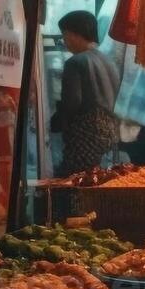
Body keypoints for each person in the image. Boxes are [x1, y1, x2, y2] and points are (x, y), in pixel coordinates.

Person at [52, 10, 122, 177]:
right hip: (109, 136)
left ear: (75, 34)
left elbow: (72, 102)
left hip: (85, 137)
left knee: (74, 184)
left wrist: (55, 123)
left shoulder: (75, 62)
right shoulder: (109, 62)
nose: (65, 41)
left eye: (65, 35)